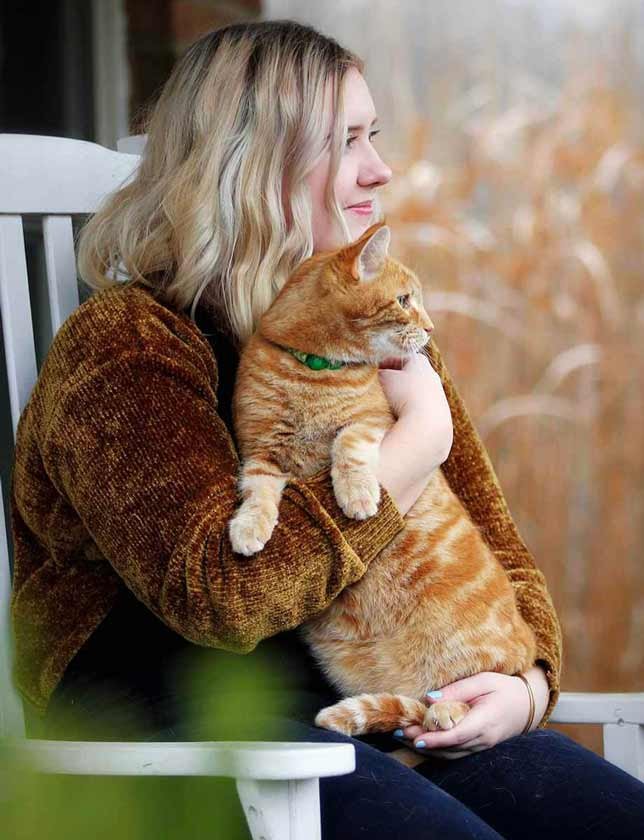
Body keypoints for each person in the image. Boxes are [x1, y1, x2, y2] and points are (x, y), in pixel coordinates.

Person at [9, 19, 644, 839]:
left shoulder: (366, 327)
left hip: (360, 705)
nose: (381, 169)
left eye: (372, 135)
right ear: (250, 163)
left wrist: (525, 687)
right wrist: (414, 447)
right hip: (175, 729)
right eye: (347, 142)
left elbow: (500, 553)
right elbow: (222, 598)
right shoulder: (126, 347)